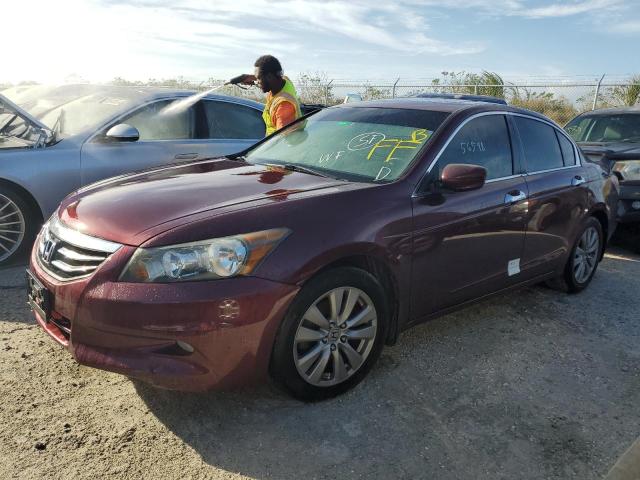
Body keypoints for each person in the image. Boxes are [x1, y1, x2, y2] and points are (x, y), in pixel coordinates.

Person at [231, 55, 301, 136]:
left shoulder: (283, 106)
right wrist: (246, 77)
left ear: (269, 77)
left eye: (258, 78)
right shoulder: (284, 81)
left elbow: (283, 142)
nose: (257, 82)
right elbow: (269, 73)